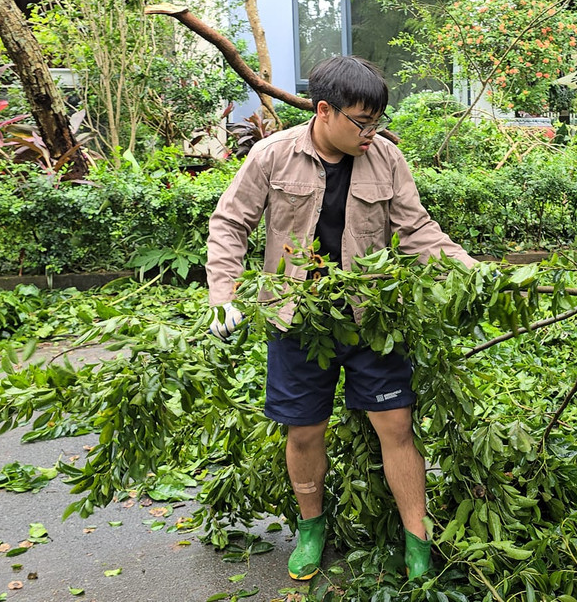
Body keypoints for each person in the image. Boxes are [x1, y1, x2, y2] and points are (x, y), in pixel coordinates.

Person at [204, 55, 477, 581]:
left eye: (377, 122)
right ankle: (312, 527)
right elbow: (230, 223)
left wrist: (473, 273)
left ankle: (416, 538)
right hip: (297, 315)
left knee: (396, 425)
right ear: (324, 111)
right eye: (362, 122)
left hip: (371, 314)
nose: (372, 134)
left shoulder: (388, 159)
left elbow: (418, 230)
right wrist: (224, 292)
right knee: (305, 432)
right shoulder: (272, 156)